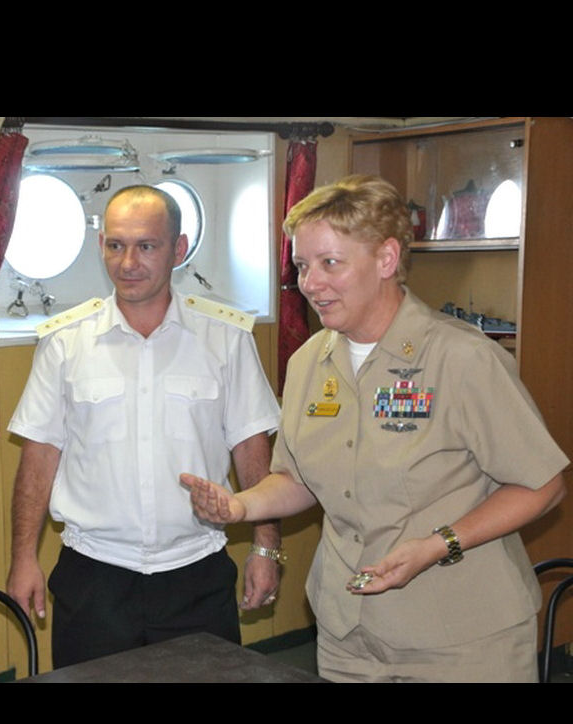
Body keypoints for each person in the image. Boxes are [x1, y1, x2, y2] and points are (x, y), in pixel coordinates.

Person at [182, 174, 569, 683]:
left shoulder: (461, 358)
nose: (310, 283)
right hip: (349, 634)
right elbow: (297, 479)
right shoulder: (308, 363)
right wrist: (240, 506)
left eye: (330, 263)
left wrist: (437, 544)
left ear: (386, 259)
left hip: (461, 638)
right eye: (302, 266)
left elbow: (543, 484)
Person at [7, 184, 281, 668]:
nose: (128, 262)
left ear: (179, 248)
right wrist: (23, 556)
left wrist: (266, 548)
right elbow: (39, 457)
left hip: (196, 572)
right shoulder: (66, 342)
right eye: (116, 245)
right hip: (94, 576)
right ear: (101, 245)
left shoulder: (225, 339)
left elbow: (251, 451)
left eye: (146, 246)